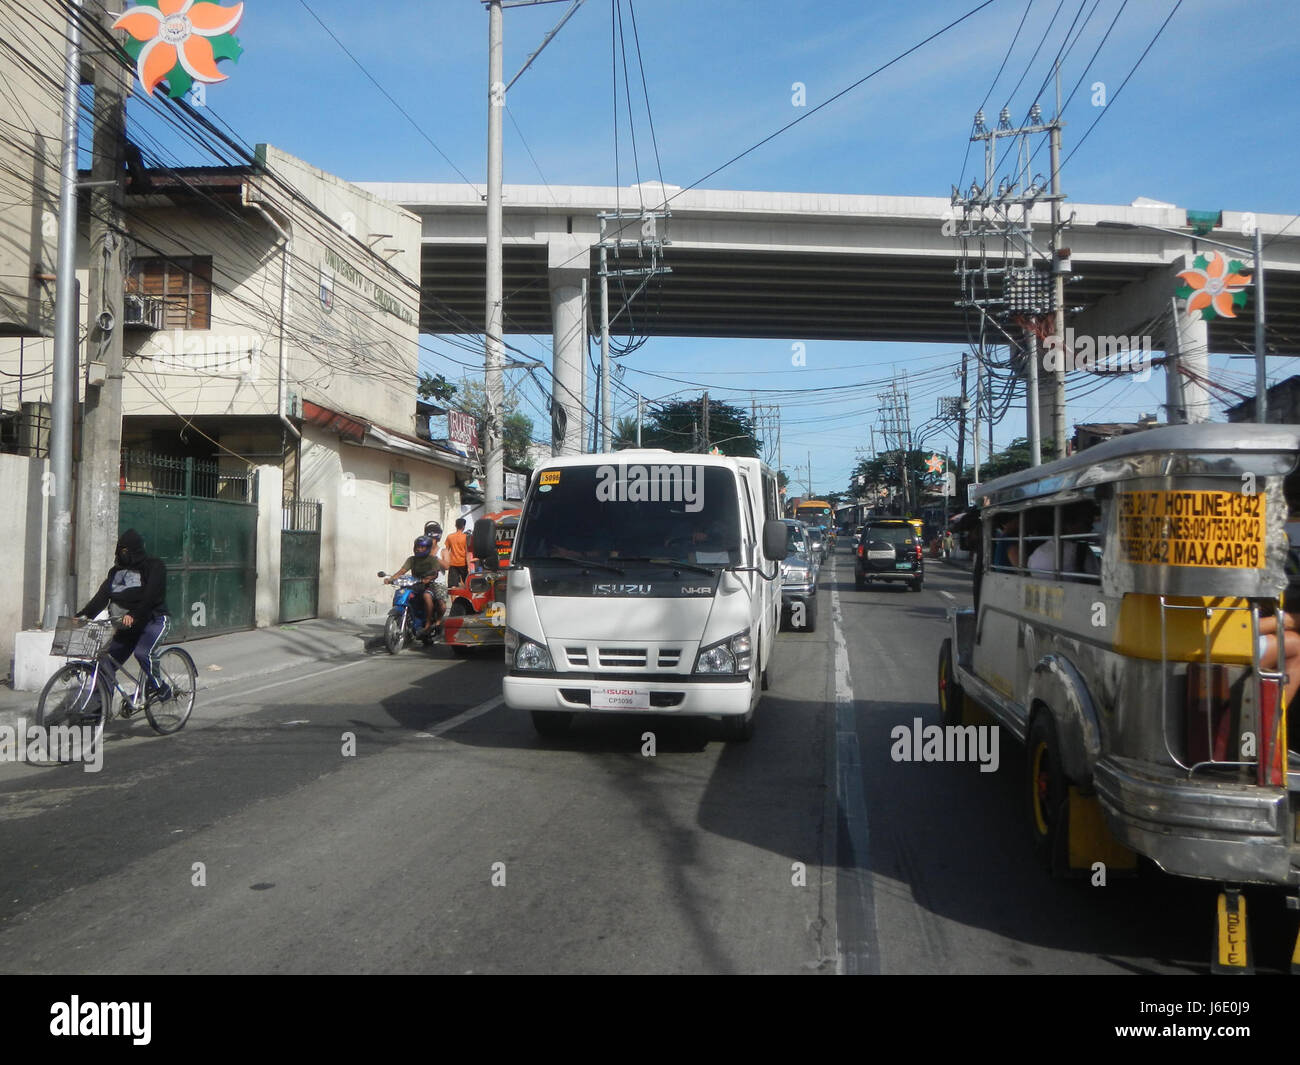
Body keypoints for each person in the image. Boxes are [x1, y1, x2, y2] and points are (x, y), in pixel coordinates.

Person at [76, 528, 171, 710]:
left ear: (135, 550)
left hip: (154, 620)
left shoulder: (153, 566)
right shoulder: (116, 572)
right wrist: (84, 615)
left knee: (143, 653)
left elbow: (150, 596)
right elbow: (102, 596)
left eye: (126, 551)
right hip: (128, 627)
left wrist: (134, 614)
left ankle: (161, 688)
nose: (123, 554)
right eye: (121, 550)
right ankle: (101, 710)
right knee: (105, 662)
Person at [384, 534, 446, 636]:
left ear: (427, 548)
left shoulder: (433, 559)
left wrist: (428, 578)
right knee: (403, 593)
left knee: (427, 596)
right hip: (415, 584)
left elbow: (435, 573)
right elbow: (402, 571)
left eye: (422, 547)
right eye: (417, 546)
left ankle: (428, 622)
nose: (419, 549)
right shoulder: (412, 559)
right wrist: (391, 579)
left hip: (428, 584)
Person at [442, 517, 471, 589]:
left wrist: (445, 562)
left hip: (453, 564)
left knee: (452, 586)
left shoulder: (450, 537)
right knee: (466, 585)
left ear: (456, 526)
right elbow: (467, 553)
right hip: (463, 564)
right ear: (463, 526)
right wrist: (469, 566)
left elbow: (446, 550)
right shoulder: (466, 537)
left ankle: (454, 600)